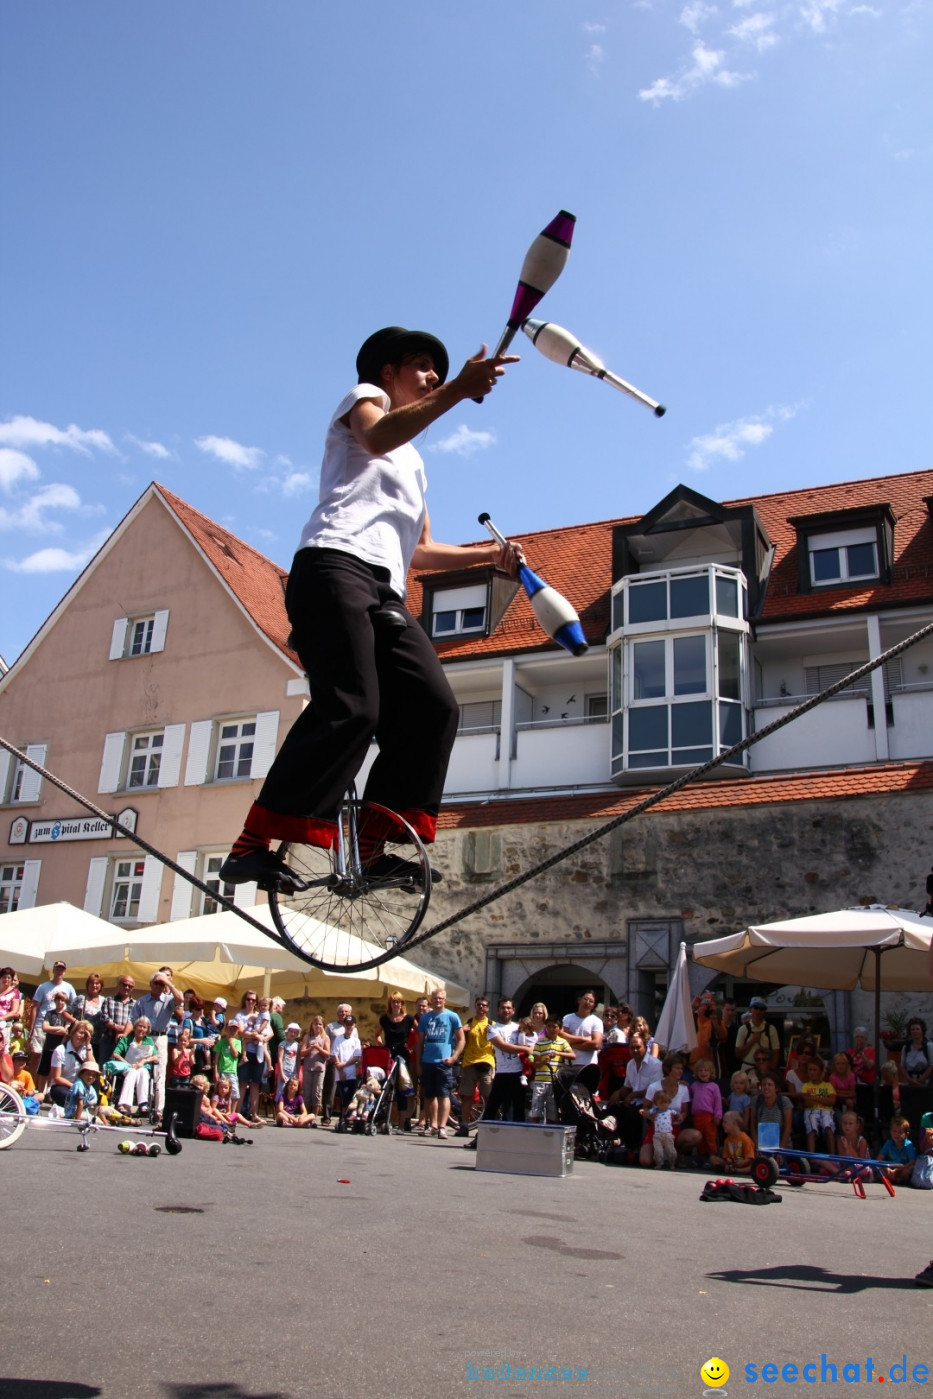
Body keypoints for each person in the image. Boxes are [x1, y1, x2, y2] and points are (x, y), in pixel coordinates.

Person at [219, 326, 521, 896]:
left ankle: (370, 841)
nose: (433, 375)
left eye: (438, 371)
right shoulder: (364, 398)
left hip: (386, 588)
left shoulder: (416, 464)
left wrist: (491, 557)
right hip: (333, 566)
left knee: (434, 707)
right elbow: (377, 437)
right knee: (353, 708)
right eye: (423, 367)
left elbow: (423, 551)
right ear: (389, 371)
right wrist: (457, 390)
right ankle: (250, 846)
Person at [133, 971, 185, 1119]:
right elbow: (134, 1020)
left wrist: (167, 982)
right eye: (156, 983)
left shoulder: (168, 1000)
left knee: (160, 1074)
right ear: (150, 984)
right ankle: (142, 1105)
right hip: (145, 1037)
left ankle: (158, 1109)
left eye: (161, 984)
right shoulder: (142, 1001)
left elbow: (180, 999)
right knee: (141, 1071)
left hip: (161, 1037)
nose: (158, 986)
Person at [417, 988, 464, 1138]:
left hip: (444, 1062)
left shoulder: (452, 1016)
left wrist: (454, 1057)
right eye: (435, 998)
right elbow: (420, 1041)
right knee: (429, 1095)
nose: (438, 1001)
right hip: (428, 1061)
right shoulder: (425, 1018)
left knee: (444, 1094)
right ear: (432, 1000)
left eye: (441, 998)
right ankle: (434, 1125)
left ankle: (443, 1127)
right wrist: (419, 1062)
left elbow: (462, 1039)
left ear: (445, 1000)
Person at [28, 961, 76, 1084]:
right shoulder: (43, 986)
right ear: (53, 970)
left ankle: (49, 1089)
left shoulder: (69, 987)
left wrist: (68, 1026)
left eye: (62, 969)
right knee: (37, 1056)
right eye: (57, 968)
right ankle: (32, 1085)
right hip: (42, 1023)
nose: (59, 971)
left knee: (55, 1058)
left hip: (60, 1024)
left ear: (64, 971)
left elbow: (74, 1006)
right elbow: (35, 1006)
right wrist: (31, 1027)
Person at [615, 1033, 663, 1153]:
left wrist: (633, 1095)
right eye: (632, 1048)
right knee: (613, 1109)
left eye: (638, 1047)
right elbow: (627, 1086)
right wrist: (617, 1094)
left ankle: (635, 1148)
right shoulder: (630, 1064)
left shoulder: (655, 1065)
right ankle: (619, 1144)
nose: (635, 1050)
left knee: (632, 1115)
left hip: (650, 1103)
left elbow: (654, 1089)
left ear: (645, 1048)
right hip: (634, 1102)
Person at [482, 997, 526, 1127]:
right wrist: (526, 1048)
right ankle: (480, 1138)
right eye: (502, 1008)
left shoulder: (519, 1028)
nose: (505, 1010)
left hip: (518, 1072)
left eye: (508, 1008)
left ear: (513, 1010)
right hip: (502, 1072)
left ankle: (520, 1139)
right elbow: (503, 1046)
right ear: (498, 1010)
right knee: (492, 1107)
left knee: (518, 1108)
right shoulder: (492, 1029)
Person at [455, 995, 495, 1136]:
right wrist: (463, 1031)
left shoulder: (492, 1024)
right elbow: (459, 1040)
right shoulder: (469, 1022)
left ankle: (486, 1126)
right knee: (467, 1096)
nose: (481, 1007)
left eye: (484, 1005)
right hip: (470, 1062)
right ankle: (464, 1125)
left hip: (486, 1062)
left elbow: (497, 1045)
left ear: (488, 1008)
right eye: (479, 1005)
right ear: (475, 1006)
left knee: (488, 1095)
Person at [231, 990, 272, 1125]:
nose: (250, 1002)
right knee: (242, 1083)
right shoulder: (240, 1015)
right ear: (245, 1000)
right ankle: (236, 1114)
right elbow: (241, 1032)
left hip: (258, 1051)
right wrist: (256, 1035)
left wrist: (262, 1037)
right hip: (246, 1051)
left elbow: (270, 1032)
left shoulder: (261, 1014)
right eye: (248, 999)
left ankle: (254, 1114)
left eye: (253, 1000)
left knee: (255, 1084)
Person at [528, 1017, 575, 1123]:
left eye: (554, 1026)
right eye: (549, 1026)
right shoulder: (540, 1043)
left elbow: (572, 1055)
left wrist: (558, 1053)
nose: (552, 1029)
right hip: (540, 1081)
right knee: (535, 1111)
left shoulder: (563, 1042)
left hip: (554, 1082)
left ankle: (549, 1135)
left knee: (552, 1113)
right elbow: (535, 1065)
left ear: (559, 1028)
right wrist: (544, 1061)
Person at [112, 1016, 158, 1115]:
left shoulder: (149, 1041)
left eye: (144, 1027)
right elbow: (115, 1053)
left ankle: (143, 1103)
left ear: (147, 1029)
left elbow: (155, 1057)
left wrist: (144, 1061)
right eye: (139, 1026)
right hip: (128, 1065)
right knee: (132, 1072)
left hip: (142, 1066)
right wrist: (126, 1063)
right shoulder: (127, 1039)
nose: (141, 1029)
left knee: (143, 1072)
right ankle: (124, 1103)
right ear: (135, 1027)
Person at [47, 1020, 94, 1109]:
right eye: (80, 1033)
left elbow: (92, 1068)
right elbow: (57, 1078)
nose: (82, 1036)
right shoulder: (60, 1050)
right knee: (71, 1097)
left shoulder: (87, 1049)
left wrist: (88, 1045)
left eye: (86, 1035)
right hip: (62, 1086)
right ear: (74, 1032)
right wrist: (74, 1086)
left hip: (81, 1085)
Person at [320, 1004, 353, 1126]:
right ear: (337, 1013)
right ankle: (327, 1116)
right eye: (341, 1011)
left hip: (348, 1063)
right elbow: (326, 1043)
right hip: (334, 1062)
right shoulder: (330, 1027)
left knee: (347, 1091)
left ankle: (345, 1117)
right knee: (331, 1091)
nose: (343, 1013)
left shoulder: (353, 1027)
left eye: (346, 1011)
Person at [688, 1058, 723, 1164]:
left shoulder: (714, 1087)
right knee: (700, 1138)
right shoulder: (694, 1085)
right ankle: (700, 1158)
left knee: (710, 1137)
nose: (703, 1073)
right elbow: (689, 1095)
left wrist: (718, 1115)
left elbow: (718, 1102)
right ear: (697, 1073)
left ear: (710, 1072)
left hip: (709, 1117)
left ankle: (712, 1156)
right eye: (700, 1071)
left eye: (706, 1070)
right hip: (697, 1117)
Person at [800, 1055, 836, 1155]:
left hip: (826, 1110)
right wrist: (824, 1099)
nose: (812, 1072)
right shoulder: (805, 1086)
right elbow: (807, 1102)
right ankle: (811, 1157)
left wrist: (814, 1098)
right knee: (811, 1127)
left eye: (815, 1070)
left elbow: (832, 1101)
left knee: (828, 1126)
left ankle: (832, 1156)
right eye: (810, 1070)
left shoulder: (828, 1085)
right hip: (811, 1110)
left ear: (821, 1071)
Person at [100, 975, 138, 1067]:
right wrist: (119, 1028)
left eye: (130, 986)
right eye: (124, 984)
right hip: (109, 1040)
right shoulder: (108, 1000)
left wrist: (124, 1032)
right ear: (119, 985)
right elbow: (104, 1018)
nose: (127, 987)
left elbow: (137, 1023)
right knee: (104, 1067)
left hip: (127, 1043)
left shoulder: (137, 1004)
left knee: (125, 1068)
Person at [735, 997, 780, 1074]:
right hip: (747, 1069)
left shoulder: (771, 1029)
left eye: (761, 1008)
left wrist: (771, 1069)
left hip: (766, 1070)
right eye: (756, 1008)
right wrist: (752, 1041)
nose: (758, 1011)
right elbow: (738, 1054)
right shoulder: (743, 1029)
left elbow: (776, 1052)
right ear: (750, 1009)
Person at [561, 991, 603, 1072]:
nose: (587, 1003)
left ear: (594, 1005)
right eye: (585, 999)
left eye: (591, 1001)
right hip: (569, 1065)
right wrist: (585, 1039)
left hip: (589, 1065)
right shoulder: (567, 1018)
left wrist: (571, 1044)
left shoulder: (596, 1021)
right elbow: (562, 1037)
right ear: (579, 1000)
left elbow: (596, 1044)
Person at [331, 1014, 363, 1118]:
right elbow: (335, 1054)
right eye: (347, 1024)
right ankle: (343, 1117)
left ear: (355, 1025)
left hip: (352, 1073)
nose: (349, 1026)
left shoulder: (356, 1041)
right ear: (344, 1025)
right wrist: (340, 1071)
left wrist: (344, 1064)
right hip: (340, 1073)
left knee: (350, 1096)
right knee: (343, 1096)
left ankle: (349, 1116)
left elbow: (356, 1057)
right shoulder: (338, 1039)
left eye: (351, 1024)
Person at [300, 1016, 330, 1121]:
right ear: (312, 1025)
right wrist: (310, 1048)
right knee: (307, 1093)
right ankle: (306, 1115)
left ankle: (314, 1117)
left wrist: (318, 1048)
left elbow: (327, 1054)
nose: (318, 1026)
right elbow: (302, 1052)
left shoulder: (325, 1038)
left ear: (323, 1026)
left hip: (319, 1069)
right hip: (308, 1068)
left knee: (317, 1093)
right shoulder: (307, 1037)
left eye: (320, 1024)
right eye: (315, 1024)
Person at [641, 1089, 679, 1169]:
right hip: (657, 1135)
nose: (663, 1105)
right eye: (661, 1103)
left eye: (665, 1102)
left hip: (668, 1134)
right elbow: (647, 1112)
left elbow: (678, 1115)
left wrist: (679, 1117)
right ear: (656, 1103)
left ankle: (672, 1163)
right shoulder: (654, 1111)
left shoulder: (670, 1111)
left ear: (669, 1102)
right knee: (658, 1151)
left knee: (670, 1150)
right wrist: (644, 1113)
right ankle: (659, 1164)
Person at [71, 973, 106, 1061]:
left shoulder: (104, 1000)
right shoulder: (81, 998)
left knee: (92, 1064)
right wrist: (75, 1021)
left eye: (97, 983)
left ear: (101, 986)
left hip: (97, 1041)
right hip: (81, 1039)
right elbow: (65, 1012)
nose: (94, 985)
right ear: (88, 985)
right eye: (92, 983)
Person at [878, 1115, 916, 1184]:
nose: (896, 1134)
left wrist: (898, 1170)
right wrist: (887, 1168)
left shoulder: (908, 1145)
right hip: (891, 1167)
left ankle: (898, 1178)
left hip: (903, 1167)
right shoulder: (889, 1143)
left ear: (906, 1134)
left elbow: (912, 1162)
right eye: (894, 1131)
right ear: (890, 1132)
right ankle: (893, 1178)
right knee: (879, 1168)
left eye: (900, 1132)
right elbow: (879, 1159)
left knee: (910, 1170)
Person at [835, 1110, 871, 1180]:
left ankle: (842, 1173)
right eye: (845, 1123)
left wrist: (849, 1148)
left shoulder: (862, 1141)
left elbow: (861, 1161)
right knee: (823, 1162)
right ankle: (841, 1173)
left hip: (860, 1166)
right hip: (845, 1165)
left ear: (857, 1126)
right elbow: (841, 1160)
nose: (847, 1126)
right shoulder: (840, 1140)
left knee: (865, 1169)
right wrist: (845, 1151)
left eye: (850, 1124)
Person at [277, 1023, 303, 1100]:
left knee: (292, 1092)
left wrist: (297, 1072)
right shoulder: (282, 1044)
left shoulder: (297, 1045)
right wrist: (281, 1073)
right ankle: (279, 1108)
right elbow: (280, 1058)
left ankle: (289, 1109)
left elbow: (298, 1060)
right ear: (287, 1032)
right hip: (284, 1071)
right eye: (291, 1031)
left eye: (295, 1032)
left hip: (293, 1072)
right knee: (281, 1090)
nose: (293, 1034)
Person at [727, 1070, 752, 1136]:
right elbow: (729, 1104)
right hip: (731, 1119)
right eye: (736, 1083)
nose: (738, 1085)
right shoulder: (732, 1095)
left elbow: (747, 1112)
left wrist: (745, 1124)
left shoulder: (745, 1098)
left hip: (740, 1120)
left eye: (741, 1083)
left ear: (745, 1085)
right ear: (732, 1084)